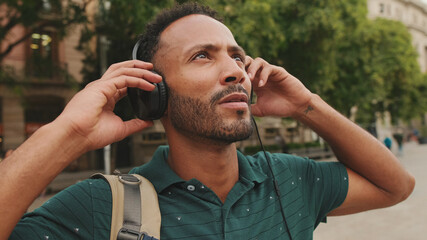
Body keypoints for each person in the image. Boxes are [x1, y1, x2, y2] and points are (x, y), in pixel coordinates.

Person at [0, 3, 415, 239]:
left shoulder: (289, 179)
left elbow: (396, 186)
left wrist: (307, 105)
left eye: (236, 55)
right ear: (153, 92)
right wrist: (68, 133)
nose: (236, 70)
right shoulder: (102, 205)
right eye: (202, 56)